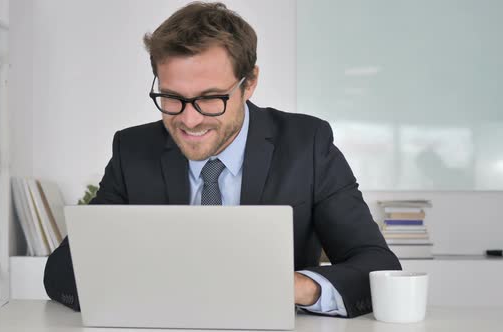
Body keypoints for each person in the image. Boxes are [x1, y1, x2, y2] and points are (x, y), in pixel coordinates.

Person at [44, 2, 401, 318]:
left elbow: (377, 266)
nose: (189, 119)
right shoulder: (133, 150)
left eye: (210, 98)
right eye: (172, 97)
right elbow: (62, 271)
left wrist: (293, 287)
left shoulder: (306, 145)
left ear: (250, 84)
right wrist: (163, 285)